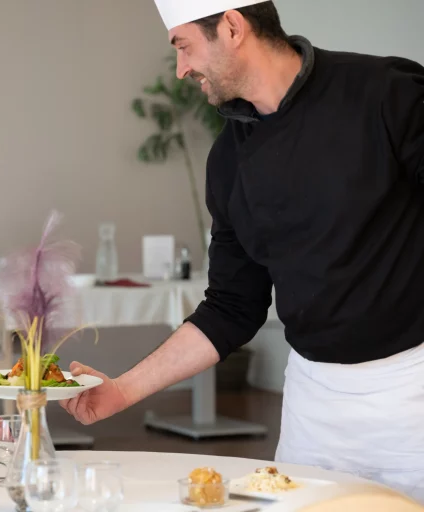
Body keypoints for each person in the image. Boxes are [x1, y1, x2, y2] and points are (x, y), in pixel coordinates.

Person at [62, 0, 424, 502]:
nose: (181, 68)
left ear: (232, 27)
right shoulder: (229, 159)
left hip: (412, 390)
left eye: (183, 46)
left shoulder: (387, 92)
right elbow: (231, 307)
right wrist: (121, 390)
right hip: (313, 405)